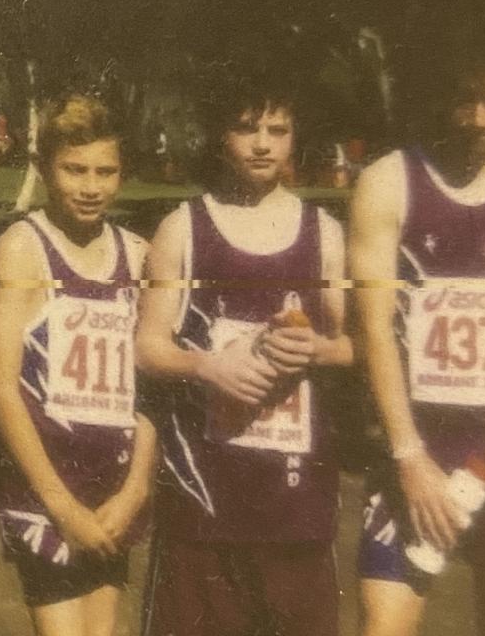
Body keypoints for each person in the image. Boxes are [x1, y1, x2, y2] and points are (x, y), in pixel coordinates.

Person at [135, 72, 354, 636]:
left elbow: (361, 347)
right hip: (203, 503)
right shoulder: (183, 228)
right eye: (246, 128)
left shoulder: (323, 233)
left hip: (295, 506)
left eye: (277, 130)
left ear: (294, 137)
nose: (261, 144)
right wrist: (209, 365)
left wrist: (318, 350)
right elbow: (148, 348)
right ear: (221, 134)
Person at [0, 94, 156, 636]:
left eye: (106, 172)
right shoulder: (23, 248)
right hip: (47, 490)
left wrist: (135, 490)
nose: (91, 186)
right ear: (45, 168)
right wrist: (60, 506)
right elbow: (0, 387)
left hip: (113, 489)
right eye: (74, 170)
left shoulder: (138, 254)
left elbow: (150, 392)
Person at [352, 34, 485, 636]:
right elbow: (375, 331)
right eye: (464, 100)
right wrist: (409, 457)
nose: (478, 119)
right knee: (384, 626)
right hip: (416, 443)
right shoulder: (389, 181)